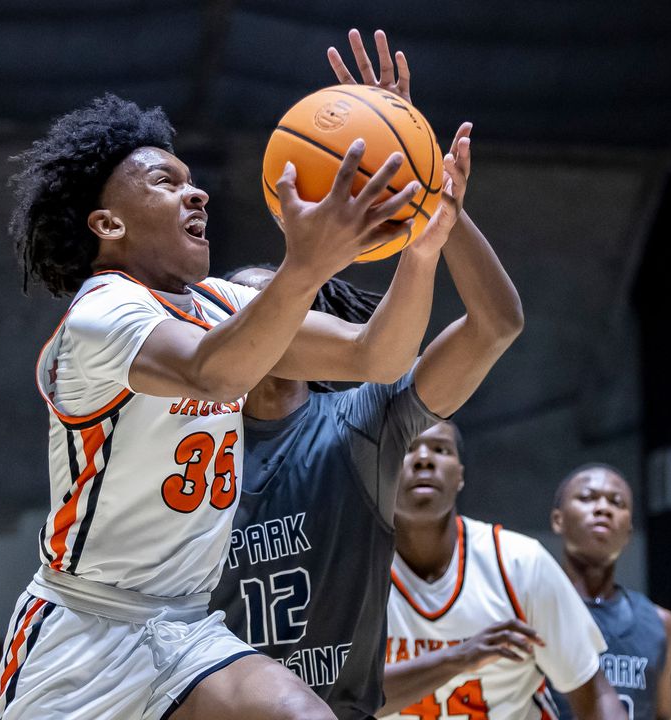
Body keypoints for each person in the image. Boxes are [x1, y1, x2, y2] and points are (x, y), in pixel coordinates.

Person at [0, 92, 439, 720]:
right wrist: (305, 266)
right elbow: (214, 373)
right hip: (82, 632)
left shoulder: (220, 302)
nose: (196, 194)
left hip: (184, 627)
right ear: (109, 224)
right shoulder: (100, 314)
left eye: (194, 183)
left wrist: (422, 241)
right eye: (165, 183)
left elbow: (377, 356)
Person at [210, 29, 524, 720]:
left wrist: (435, 211)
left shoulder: (358, 419)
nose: (260, 314)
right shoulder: (190, 440)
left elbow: (496, 324)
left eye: (282, 300)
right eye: (246, 304)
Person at [382, 422, 628, 720]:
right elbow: (344, 700)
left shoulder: (521, 563)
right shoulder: (352, 573)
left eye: (440, 449)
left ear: (460, 475)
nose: (424, 458)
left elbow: (594, 692)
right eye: (408, 448)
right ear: (381, 468)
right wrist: (458, 657)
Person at [539, 464, 671, 720]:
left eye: (617, 502)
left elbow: (663, 714)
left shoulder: (661, 624)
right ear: (558, 519)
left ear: (628, 533)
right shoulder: (530, 609)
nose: (603, 509)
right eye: (587, 498)